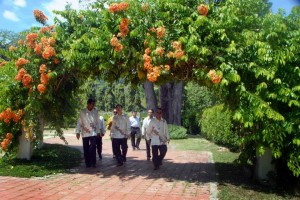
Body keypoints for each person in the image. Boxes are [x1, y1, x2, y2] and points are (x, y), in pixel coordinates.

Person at [75, 98, 100, 168]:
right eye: (92, 104)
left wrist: (98, 131)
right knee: (86, 148)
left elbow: (98, 122)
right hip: (85, 132)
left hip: (93, 132)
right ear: (88, 104)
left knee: (93, 147)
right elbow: (79, 122)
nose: (93, 106)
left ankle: (93, 162)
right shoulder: (82, 112)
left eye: (94, 104)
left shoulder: (96, 112)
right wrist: (77, 132)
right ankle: (87, 163)